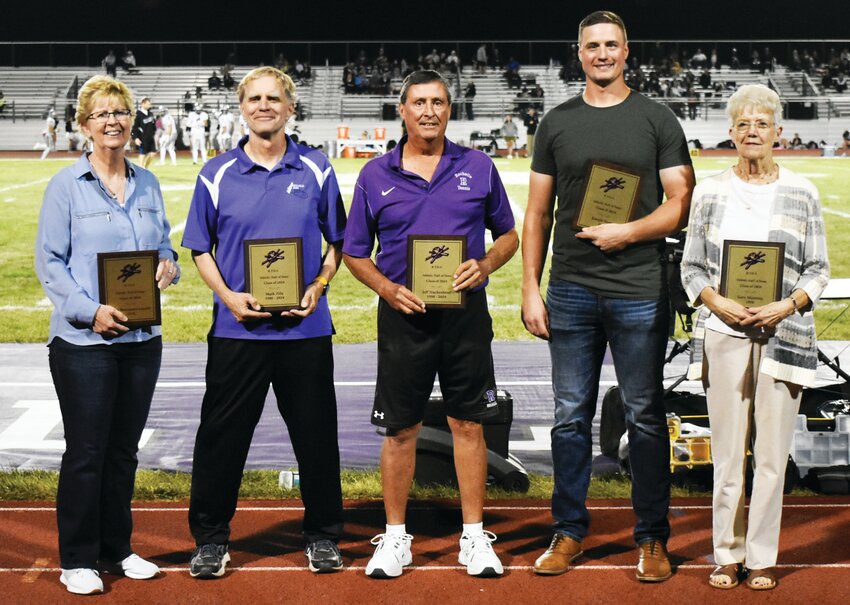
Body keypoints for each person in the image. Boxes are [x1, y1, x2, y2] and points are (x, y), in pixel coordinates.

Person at [521, 10, 695, 582]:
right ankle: (568, 531)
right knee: (569, 417)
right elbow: (538, 213)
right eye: (592, 45)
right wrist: (530, 287)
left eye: (611, 45)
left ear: (627, 51)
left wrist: (630, 231)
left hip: (640, 288)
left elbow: (679, 203)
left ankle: (652, 539)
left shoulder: (656, 118)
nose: (601, 54)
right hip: (570, 288)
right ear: (579, 53)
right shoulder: (557, 122)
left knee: (645, 418)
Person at [343, 70, 518, 579]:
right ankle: (396, 538)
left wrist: (484, 265)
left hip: (465, 318)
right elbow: (355, 252)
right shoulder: (376, 174)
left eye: (438, 102)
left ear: (449, 109)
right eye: (419, 102)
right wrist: (386, 287)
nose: (429, 111)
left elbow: (508, 236)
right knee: (400, 430)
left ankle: (473, 536)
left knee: (469, 423)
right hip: (404, 318)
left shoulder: (479, 166)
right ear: (402, 109)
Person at [182, 66, 347, 580]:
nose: (263, 106)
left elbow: (338, 242)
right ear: (242, 107)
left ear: (290, 107)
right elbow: (198, 249)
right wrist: (229, 296)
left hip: (306, 330)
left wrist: (318, 286)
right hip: (237, 330)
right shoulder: (215, 173)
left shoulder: (317, 168)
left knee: (317, 437)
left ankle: (322, 536)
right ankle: (211, 540)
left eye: (273, 98)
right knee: (221, 438)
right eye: (253, 98)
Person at [34, 75, 180, 596]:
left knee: (123, 452)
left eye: (120, 111)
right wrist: (89, 311)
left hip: (142, 340)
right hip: (84, 344)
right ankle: (77, 557)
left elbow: (164, 245)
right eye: (101, 114)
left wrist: (169, 263)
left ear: (131, 118)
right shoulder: (65, 185)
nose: (112, 121)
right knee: (87, 451)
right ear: (85, 125)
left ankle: (117, 547)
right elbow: (49, 263)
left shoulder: (148, 182)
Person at [680, 84, 830, 591]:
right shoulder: (711, 190)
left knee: (770, 457)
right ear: (731, 132)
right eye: (743, 123)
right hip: (723, 333)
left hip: (783, 334)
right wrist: (717, 302)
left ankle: (761, 556)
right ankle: (727, 553)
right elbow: (691, 267)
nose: (751, 131)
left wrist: (786, 304)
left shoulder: (802, 192)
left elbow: (818, 271)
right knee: (727, 454)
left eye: (761, 123)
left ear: (778, 133)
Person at [132, 97, 157, 169]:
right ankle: (141, 168)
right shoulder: (137, 114)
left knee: (152, 154)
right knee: (142, 154)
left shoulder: (150, 114)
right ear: (143, 103)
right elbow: (134, 127)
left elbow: (153, 125)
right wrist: (136, 138)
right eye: (148, 103)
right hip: (142, 137)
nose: (150, 105)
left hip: (150, 137)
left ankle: (145, 168)